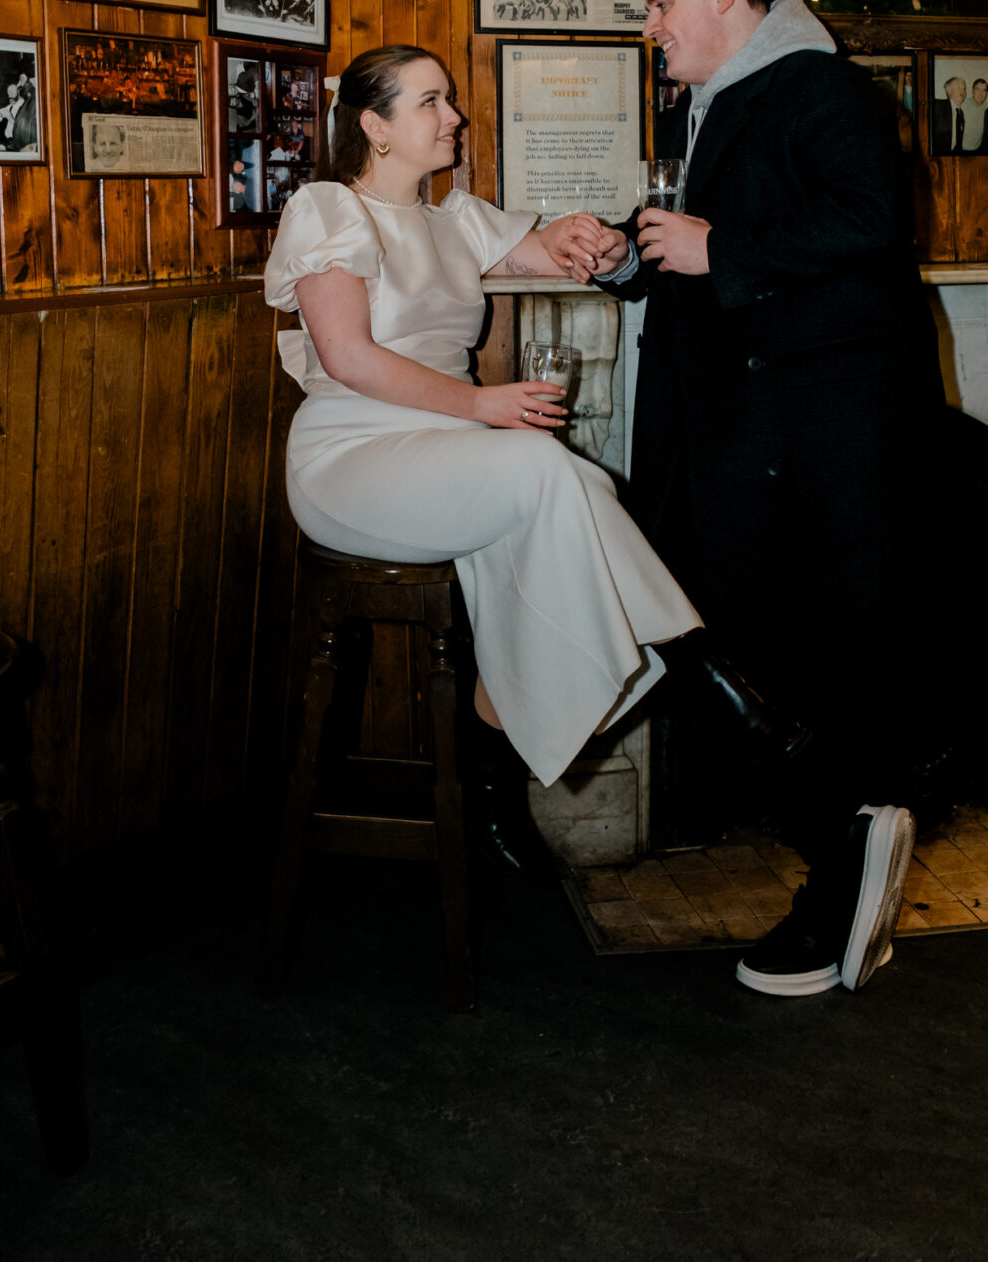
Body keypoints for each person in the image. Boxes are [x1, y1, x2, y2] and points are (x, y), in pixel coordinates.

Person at [582, 0, 947, 999]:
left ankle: (841, 876)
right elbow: (716, 240)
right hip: (748, 431)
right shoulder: (726, 93)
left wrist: (715, 252)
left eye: (659, 2)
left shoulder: (819, 91)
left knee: (799, 655)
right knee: (754, 653)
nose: (648, 27)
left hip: (808, 439)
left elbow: (872, 224)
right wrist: (625, 257)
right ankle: (851, 844)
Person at [262, 45, 701, 863]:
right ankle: (695, 673)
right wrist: (480, 404)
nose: (454, 117)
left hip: (449, 457)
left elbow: (554, 250)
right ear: (375, 126)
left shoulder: (454, 219)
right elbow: (349, 357)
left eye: (450, 101)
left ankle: (496, 786)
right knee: (550, 468)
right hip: (351, 455)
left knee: (574, 488)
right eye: (431, 102)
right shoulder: (328, 210)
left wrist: (592, 243)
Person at [932, 73, 967, 153]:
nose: (963, 91)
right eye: (959, 87)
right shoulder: (937, 105)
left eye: (964, 88)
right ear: (949, 91)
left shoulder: (961, 114)